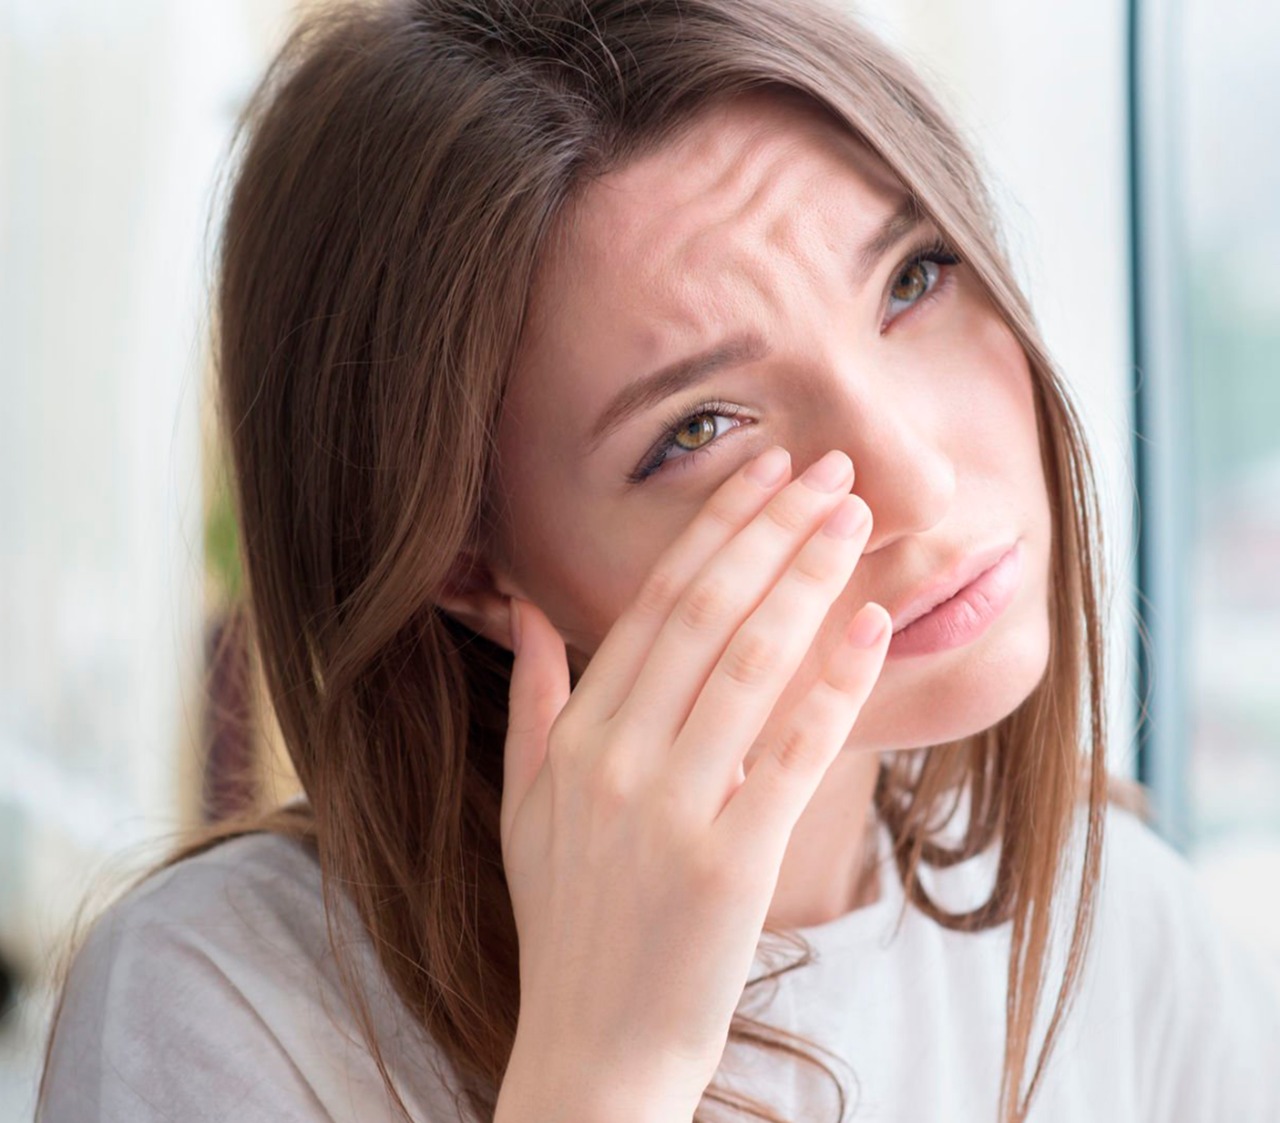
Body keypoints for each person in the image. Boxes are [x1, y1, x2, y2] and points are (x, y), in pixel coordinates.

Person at [34, 0, 1280, 1120]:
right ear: (466, 567)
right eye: (698, 429)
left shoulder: (1112, 925)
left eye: (912, 277)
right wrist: (604, 1073)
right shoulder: (226, 1001)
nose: (918, 481)